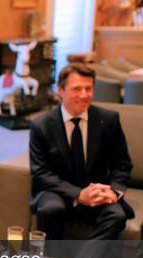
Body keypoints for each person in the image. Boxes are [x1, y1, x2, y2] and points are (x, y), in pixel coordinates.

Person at [29, 63, 133, 240]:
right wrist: (78, 194)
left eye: (88, 88)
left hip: (96, 191)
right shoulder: (41, 125)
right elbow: (40, 173)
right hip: (58, 191)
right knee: (50, 209)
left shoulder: (108, 120)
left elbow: (122, 164)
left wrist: (114, 191)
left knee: (117, 216)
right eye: (77, 89)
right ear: (60, 91)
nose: (84, 95)